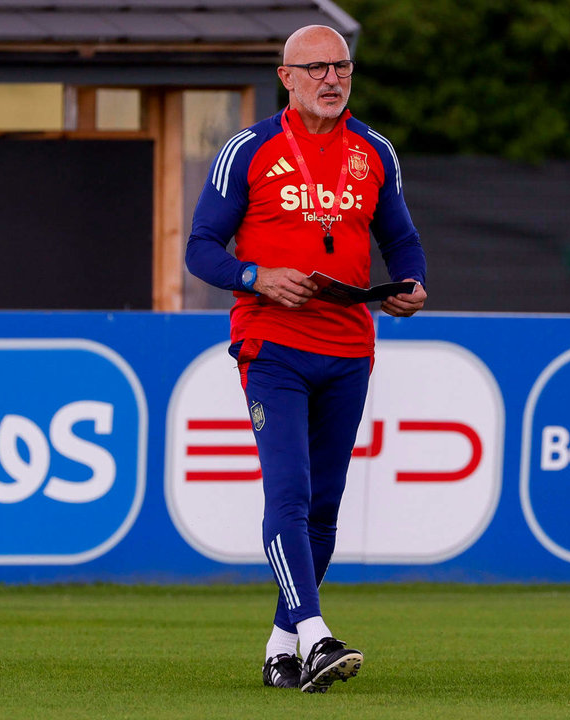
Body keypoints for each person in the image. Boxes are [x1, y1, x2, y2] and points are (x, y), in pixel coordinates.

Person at [184, 25, 427, 693]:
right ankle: (318, 635)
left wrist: (410, 284)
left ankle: (280, 647)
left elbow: (401, 239)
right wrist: (256, 276)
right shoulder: (250, 150)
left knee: (324, 508)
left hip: (349, 345)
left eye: (341, 66)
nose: (331, 78)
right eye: (315, 67)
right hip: (273, 345)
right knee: (288, 492)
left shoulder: (374, 150)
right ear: (286, 77)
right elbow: (201, 247)